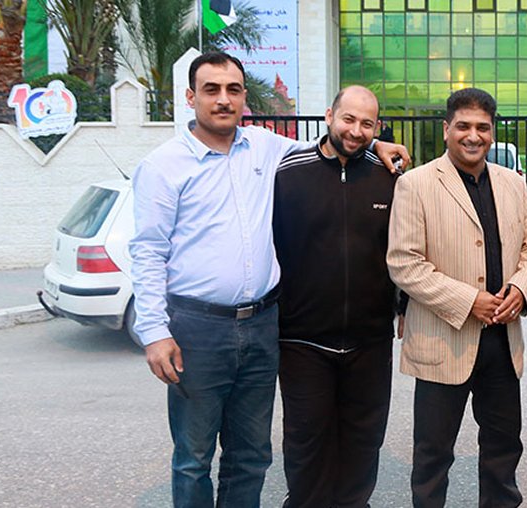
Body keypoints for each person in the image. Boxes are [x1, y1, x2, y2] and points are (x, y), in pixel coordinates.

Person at [129, 51, 408, 508]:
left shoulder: (265, 148)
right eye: (212, 90)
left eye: (233, 90)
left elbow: (333, 147)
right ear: (190, 97)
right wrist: (155, 332)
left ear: (244, 97)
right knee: (194, 456)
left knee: (251, 454)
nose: (224, 99)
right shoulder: (163, 166)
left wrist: (375, 144)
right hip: (198, 328)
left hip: (261, 326)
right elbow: (147, 250)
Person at [387, 88, 527, 508]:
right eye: (463, 126)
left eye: (482, 128)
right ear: (446, 130)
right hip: (443, 340)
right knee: (432, 457)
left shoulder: (513, 183)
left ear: (492, 132)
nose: (473, 136)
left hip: (502, 343)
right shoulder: (416, 184)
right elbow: (404, 262)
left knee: (503, 451)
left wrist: (520, 289)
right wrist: (468, 300)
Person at [272, 85, 403, 508]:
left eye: (367, 124)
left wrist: (402, 306)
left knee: (363, 443)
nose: (356, 131)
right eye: (348, 119)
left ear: (377, 127)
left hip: (370, 341)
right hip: (303, 341)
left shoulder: (388, 178)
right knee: (306, 444)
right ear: (329, 115)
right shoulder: (288, 172)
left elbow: (403, 250)